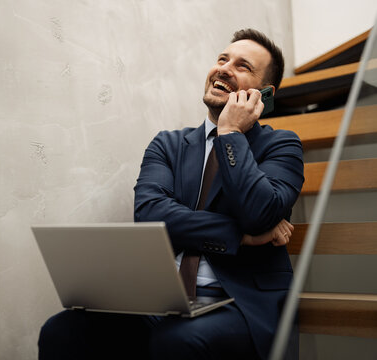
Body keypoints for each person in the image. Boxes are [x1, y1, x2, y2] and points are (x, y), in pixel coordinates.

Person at [38, 28, 304, 360]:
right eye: (222, 59)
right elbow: (150, 215)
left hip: (240, 303)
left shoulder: (282, 146)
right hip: (162, 299)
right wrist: (240, 237)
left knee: (179, 341)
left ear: (263, 94)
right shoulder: (168, 144)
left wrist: (230, 132)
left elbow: (259, 214)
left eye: (242, 66)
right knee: (62, 330)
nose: (224, 68)